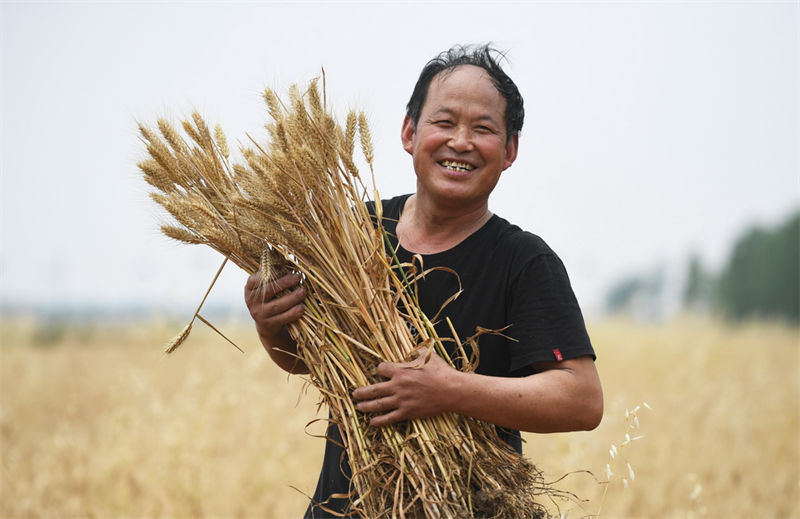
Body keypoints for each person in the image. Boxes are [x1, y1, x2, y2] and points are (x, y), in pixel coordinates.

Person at [244, 44, 603, 518]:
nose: (460, 141)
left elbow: (581, 399)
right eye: (444, 122)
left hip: (466, 506)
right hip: (344, 507)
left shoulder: (525, 262)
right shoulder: (349, 236)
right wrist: (271, 326)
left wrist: (448, 389)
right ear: (410, 133)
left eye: (483, 129)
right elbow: (309, 361)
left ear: (510, 150)